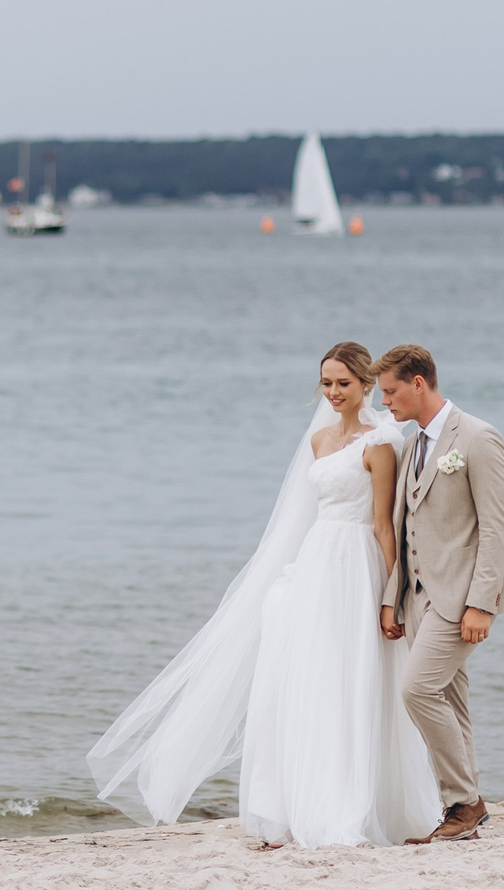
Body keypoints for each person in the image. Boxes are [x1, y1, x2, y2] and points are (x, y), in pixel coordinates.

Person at [89, 342, 443, 849]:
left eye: (344, 382)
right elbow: (301, 516)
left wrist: (392, 596)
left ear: (367, 385)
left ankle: (348, 810)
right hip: (318, 564)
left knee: (353, 681)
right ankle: (292, 811)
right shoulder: (319, 441)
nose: (334, 392)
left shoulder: (381, 443)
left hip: (356, 565)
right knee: (305, 682)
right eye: (326, 382)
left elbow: (385, 527)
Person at [374, 343, 504, 844]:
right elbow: (402, 523)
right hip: (419, 597)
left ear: (417, 383)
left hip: (461, 597)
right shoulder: (412, 446)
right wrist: (393, 597)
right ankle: (462, 813)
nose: (385, 401)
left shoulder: (477, 437)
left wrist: (483, 603)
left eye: (390, 391)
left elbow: (496, 529)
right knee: (451, 700)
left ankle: (464, 802)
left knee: (416, 689)